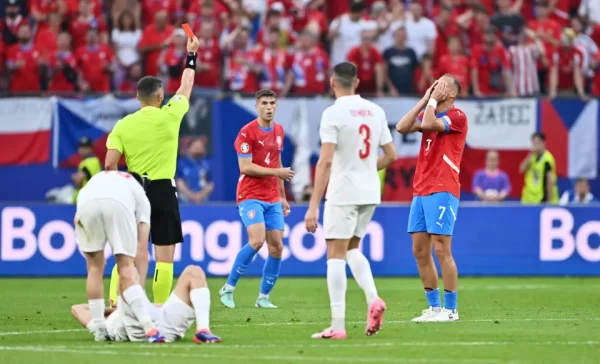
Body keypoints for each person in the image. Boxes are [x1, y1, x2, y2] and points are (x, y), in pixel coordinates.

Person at [105, 34, 201, 305]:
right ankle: (159, 307)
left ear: (137, 97)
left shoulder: (123, 125)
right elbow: (187, 84)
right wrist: (191, 54)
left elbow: (110, 163)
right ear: (160, 96)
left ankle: (115, 302)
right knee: (164, 256)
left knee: (127, 253)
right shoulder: (171, 114)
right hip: (162, 190)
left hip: (133, 190)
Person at [304, 62, 397, 339]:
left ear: (332, 82)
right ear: (356, 82)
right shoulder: (376, 111)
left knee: (334, 255)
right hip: (370, 192)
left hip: (343, 191)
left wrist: (312, 205)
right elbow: (391, 155)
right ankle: (373, 299)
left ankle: (338, 325)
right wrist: (368, 169)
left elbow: (326, 160)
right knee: (352, 249)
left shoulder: (333, 113)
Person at [396, 74, 468, 322]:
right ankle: (434, 307)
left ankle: (450, 310)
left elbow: (427, 124)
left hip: (443, 187)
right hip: (421, 188)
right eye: (436, 82)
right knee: (419, 249)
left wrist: (431, 103)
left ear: (453, 93)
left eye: (443, 83)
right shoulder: (431, 109)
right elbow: (402, 127)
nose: (438, 85)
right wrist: (425, 98)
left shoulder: (457, 116)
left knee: (441, 247)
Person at [219, 89, 295, 309]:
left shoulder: (279, 130)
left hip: (272, 197)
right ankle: (228, 288)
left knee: (277, 247)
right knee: (256, 240)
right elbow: (246, 167)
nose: (269, 106)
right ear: (257, 106)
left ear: (276, 106)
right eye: (264, 103)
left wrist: (282, 195)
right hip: (250, 194)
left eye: (272, 102)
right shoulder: (247, 133)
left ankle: (263, 297)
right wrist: (276, 173)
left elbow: (278, 162)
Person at [74, 170, 164, 342]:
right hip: (117, 204)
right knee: (126, 265)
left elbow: (77, 215)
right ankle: (148, 327)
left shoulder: (102, 178)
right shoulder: (140, 196)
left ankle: (99, 328)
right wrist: (139, 290)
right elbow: (142, 249)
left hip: (85, 204)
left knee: (94, 268)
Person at [71, 265, 221, 344]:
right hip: (139, 332)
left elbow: (79, 308)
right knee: (127, 272)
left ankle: (203, 330)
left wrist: (112, 309)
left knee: (194, 271)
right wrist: (110, 312)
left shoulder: (117, 314)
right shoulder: (103, 326)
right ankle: (150, 329)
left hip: (164, 327)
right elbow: (77, 309)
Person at [519, 132, 559, 204]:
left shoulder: (547, 159)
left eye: (538, 143)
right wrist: (531, 154)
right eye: (534, 143)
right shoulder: (532, 157)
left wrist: (549, 201)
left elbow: (550, 181)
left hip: (542, 199)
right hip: (529, 199)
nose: (535, 145)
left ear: (543, 143)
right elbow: (521, 169)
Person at [71, 136, 102, 203]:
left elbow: (79, 179)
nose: (83, 150)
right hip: (91, 199)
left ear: (91, 149)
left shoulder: (88, 163)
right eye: (81, 147)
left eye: (86, 147)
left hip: (85, 200)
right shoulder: (95, 160)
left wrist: (74, 177)